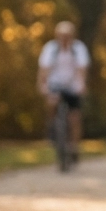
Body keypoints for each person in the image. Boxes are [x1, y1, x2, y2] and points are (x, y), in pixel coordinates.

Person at [37, 20, 90, 163]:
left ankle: (74, 147)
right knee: (52, 102)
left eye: (67, 35)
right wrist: (43, 85)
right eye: (61, 35)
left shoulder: (78, 48)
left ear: (72, 36)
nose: (64, 38)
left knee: (75, 117)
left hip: (73, 85)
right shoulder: (51, 49)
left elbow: (82, 69)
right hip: (55, 84)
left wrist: (82, 84)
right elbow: (44, 69)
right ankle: (52, 129)